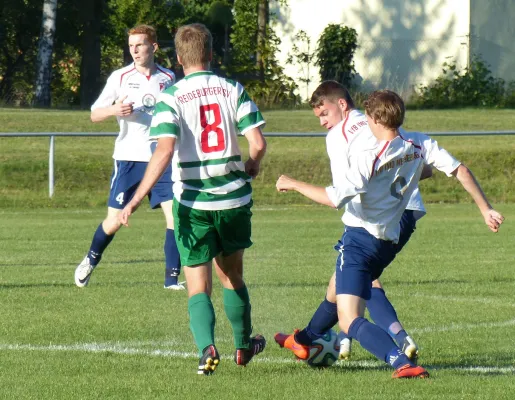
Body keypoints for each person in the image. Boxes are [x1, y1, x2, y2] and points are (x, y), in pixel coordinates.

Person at [275, 89, 504, 379]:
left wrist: (294, 183)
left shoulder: (368, 156)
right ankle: (303, 341)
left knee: (348, 319)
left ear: (372, 119)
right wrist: (486, 209)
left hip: (359, 239)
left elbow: (334, 199)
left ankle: (399, 361)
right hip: (389, 239)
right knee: (336, 289)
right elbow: (458, 169)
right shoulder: (418, 143)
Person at [119, 23, 267, 375]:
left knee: (197, 283)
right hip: (232, 201)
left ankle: (206, 348)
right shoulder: (233, 89)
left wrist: (138, 197)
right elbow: (258, 143)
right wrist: (252, 165)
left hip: (193, 204)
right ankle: (243, 346)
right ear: (211, 55)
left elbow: (164, 150)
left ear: (179, 59)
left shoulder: (171, 97)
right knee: (232, 276)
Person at [275, 81, 428, 362]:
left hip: (374, 219)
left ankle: (397, 352)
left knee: (358, 287)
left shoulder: (339, 135)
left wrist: (295, 184)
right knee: (341, 285)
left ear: (342, 105)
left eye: (324, 114)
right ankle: (302, 340)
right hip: (408, 210)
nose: (322, 122)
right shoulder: (377, 119)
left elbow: (341, 193)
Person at [74, 25, 185, 290]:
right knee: (114, 221)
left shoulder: (168, 78)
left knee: (175, 217)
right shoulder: (120, 77)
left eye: (140, 45)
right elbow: (94, 114)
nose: (134, 50)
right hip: (129, 159)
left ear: (154, 47)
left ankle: (171, 280)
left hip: (162, 158)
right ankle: (90, 259)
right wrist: (114, 109)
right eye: (131, 45)